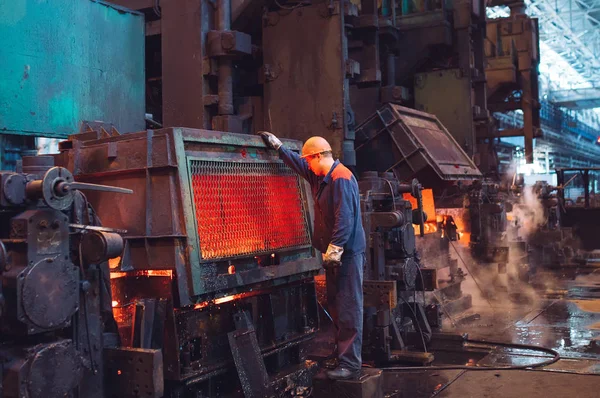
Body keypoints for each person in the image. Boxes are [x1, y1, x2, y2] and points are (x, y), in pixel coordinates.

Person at [259, 131, 365, 380]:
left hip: (347, 255)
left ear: (318, 156)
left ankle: (350, 364)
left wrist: (336, 249)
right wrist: (279, 148)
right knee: (336, 306)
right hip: (334, 255)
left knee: (348, 307)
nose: (306, 165)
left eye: (309, 160)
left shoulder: (341, 178)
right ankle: (342, 354)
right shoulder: (321, 176)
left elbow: (345, 219)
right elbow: (299, 164)